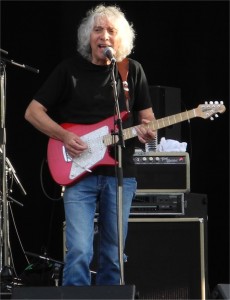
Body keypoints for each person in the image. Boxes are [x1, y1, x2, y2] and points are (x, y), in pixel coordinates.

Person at [25, 3, 156, 286]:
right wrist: (64, 136)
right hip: (77, 170)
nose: (104, 36)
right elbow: (32, 111)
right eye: (98, 30)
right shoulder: (68, 70)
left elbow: (147, 119)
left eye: (111, 31)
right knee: (80, 251)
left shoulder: (130, 71)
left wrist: (148, 133)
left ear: (120, 39)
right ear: (88, 36)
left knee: (112, 254)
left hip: (119, 173)